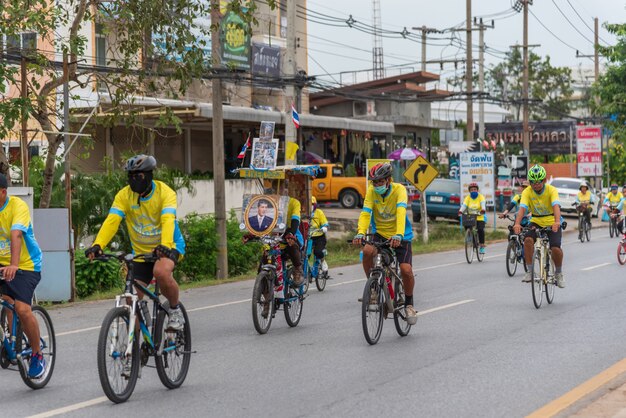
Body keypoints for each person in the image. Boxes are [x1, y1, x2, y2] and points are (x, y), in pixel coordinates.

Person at [85, 155, 186, 332]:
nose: (134, 180)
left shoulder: (165, 193)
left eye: (138, 176)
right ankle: (139, 345)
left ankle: (175, 309)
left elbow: (168, 219)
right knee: (131, 297)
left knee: (161, 272)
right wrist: (98, 244)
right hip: (140, 252)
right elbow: (112, 221)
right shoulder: (124, 195)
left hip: (169, 247)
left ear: (149, 175)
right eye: (130, 176)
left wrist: (165, 245)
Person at [352, 162, 417, 325]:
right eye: (374, 182)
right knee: (367, 251)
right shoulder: (371, 192)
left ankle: (409, 303)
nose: (377, 185)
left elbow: (401, 212)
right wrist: (360, 232)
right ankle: (373, 287)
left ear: (388, 180)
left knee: (406, 270)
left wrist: (399, 235)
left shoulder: (399, 190)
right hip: (379, 234)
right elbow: (366, 213)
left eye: (380, 182)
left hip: (401, 235)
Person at [0, 174, 45, 378]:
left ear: (3, 192)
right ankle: (10, 340)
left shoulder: (17, 207)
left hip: (26, 265)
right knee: (8, 302)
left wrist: (14, 264)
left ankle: (37, 354)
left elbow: (16, 234)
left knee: (21, 308)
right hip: (3, 264)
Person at [513, 164, 565, 288]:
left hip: (552, 220)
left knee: (556, 248)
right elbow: (522, 209)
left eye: (539, 182)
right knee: (527, 240)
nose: (536, 185)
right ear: (530, 182)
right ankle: (530, 271)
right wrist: (517, 223)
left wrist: (557, 222)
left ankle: (558, 273)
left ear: (544, 180)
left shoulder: (551, 190)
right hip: (536, 220)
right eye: (533, 182)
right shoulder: (527, 191)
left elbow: (556, 206)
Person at [458, 182, 487, 254]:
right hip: (471, 216)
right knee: (467, 225)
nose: (473, 191)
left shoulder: (481, 197)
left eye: (475, 189)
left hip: (480, 216)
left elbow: (483, 203)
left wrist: (483, 209)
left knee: (480, 229)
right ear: (469, 191)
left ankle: (482, 246)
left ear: (477, 190)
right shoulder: (467, 198)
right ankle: (472, 240)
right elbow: (464, 205)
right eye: (472, 190)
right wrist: (460, 211)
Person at [310, 196, 329, 276]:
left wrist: (324, 227)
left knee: (317, 252)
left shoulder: (319, 212)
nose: (310, 206)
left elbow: (325, 223)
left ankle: (322, 261)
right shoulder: (302, 213)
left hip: (319, 236)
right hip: (308, 237)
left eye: (312, 204)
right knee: (304, 255)